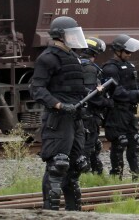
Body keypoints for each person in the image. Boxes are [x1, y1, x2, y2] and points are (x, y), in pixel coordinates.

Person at [29, 16, 89, 210]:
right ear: (60, 36)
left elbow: (74, 87)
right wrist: (58, 105)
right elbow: (37, 89)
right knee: (58, 164)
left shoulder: (73, 56)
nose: (75, 38)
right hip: (58, 118)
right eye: (71, 34)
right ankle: (50, 211)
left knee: (76, 165)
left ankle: (74, 212)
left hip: (76, 118)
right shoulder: (48, 58)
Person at [102, 34, 139, 180]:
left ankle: (137, 176)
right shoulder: (110, 68)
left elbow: (135, 85)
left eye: (131, 52)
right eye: (127, 52)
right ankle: (116, 177)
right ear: (118, 51)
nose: (130, 55)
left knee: (135, 142)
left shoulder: (130, 66)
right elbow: (115, 92)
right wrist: (136, 94)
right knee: (119, 142)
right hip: (117, 111)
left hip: (131, 110)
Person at [79, 37, 111, 175]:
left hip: (81, 113)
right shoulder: (90, 69)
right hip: (89, 114)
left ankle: (95, 172)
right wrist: (107, 102)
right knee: (87, 146)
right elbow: (90, 94)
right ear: (95, 53)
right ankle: (82, 175)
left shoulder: (76, 64)